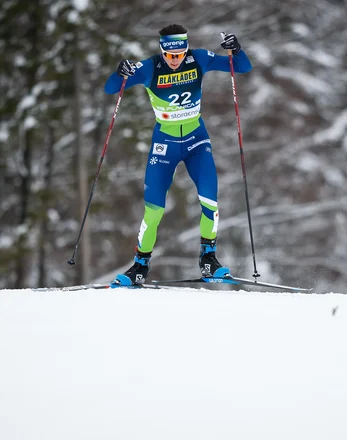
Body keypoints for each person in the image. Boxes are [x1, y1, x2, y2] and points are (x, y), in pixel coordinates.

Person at [104, 24, 253, 286]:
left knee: (210, 200)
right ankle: (140, 264)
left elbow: (241, 66)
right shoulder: (149, 68)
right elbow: (110, 88)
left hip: (197, 140)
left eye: (180, 54)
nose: (176, 60)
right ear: (162, 51)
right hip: (165, 144)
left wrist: (236, 49)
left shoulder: (199, 59)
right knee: (154, 209)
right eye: (170, 55)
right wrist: (120, 72)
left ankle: (209, 259)